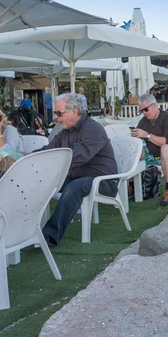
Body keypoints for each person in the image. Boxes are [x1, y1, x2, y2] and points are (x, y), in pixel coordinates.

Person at [34, 93, 118, 246]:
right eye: (55, 113)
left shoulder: (93, 128)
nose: (56, 118)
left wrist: (50, 165)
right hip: (77, 177)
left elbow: (77, 157)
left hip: (105, 182)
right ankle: (28, 230)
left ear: (74, 111)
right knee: (43, 183)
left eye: (59, 113)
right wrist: (27, 159)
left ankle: (49, 236)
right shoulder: (65, 132)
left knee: (75, 186)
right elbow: (48, 150)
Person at [131, 93, 168, 206]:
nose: (144, 113)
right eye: (141, 111)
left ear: (154, 105)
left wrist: (147, 135)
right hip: (152, 155)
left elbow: (167, 141)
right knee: (135, 149)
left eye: (145, 109)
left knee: (165, 148)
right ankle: (131, 185)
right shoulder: (143, 121)